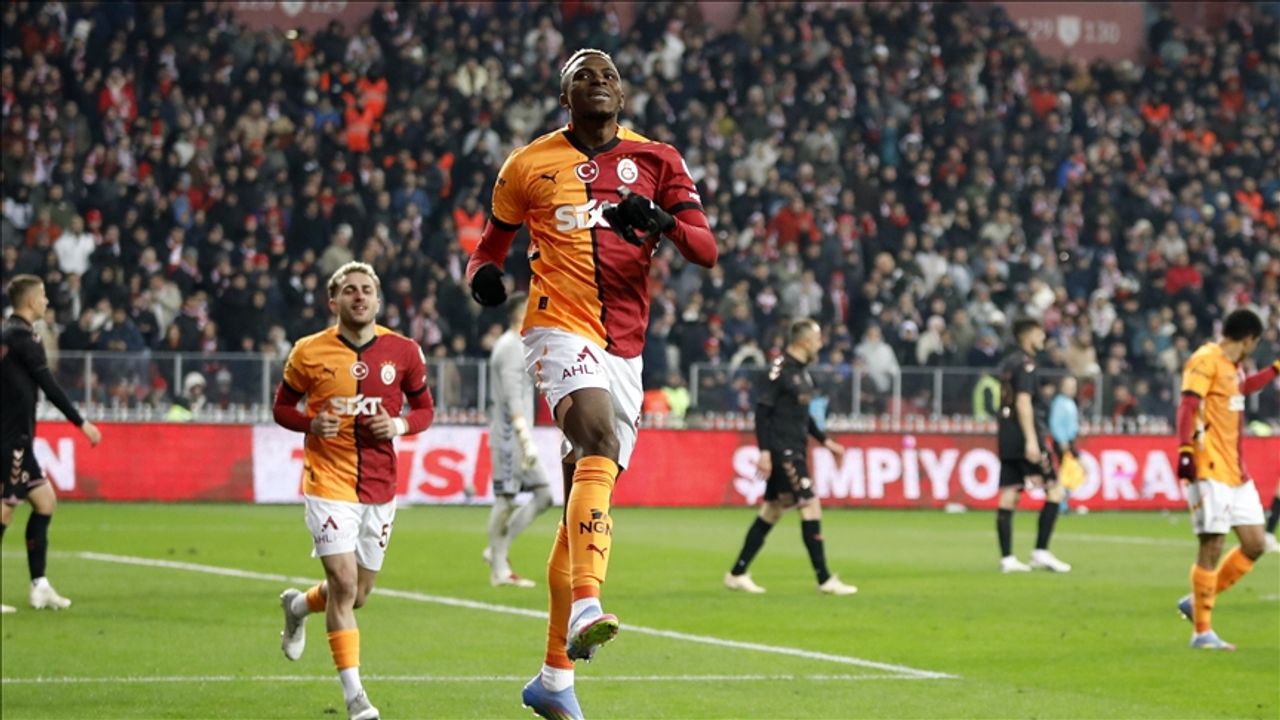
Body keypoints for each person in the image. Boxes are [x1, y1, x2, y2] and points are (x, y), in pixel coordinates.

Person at [466, 48, 717, 720]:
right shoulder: (527, 165)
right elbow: (488, 248)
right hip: (556, 325)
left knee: (584, 490)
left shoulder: (658, 159)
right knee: (598, 439)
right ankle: (587, 605)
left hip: (625, 347)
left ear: (623, 94)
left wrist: (661, 222)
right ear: (564, 95)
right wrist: (483, 278)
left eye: (608, 75)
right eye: (584, 75)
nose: (598, 82)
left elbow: (706, 249)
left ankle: (553, 679)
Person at [271, 261, 435, 720]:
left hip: (380, 486)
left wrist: (399, 425)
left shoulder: (404, 351)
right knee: (343, 583)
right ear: (333, 301)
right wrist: (310, 424)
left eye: (366, 289)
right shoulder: (308, 351)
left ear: (378, 299)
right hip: (328, 480)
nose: (359, 296)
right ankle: (355, 696)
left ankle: (298, 605)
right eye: (349, 290)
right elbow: (282, 407)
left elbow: (425, 409)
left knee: (357, 594)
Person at [724, 319, 858, 596]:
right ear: (804, 342)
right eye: (817, 340)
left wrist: (826, 442)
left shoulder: (803, 373)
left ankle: (737, 573)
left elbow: (804, 416)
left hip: (795, 448)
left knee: (773, 510)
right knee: (810, 505)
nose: (820, 345)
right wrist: (764, 451)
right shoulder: (780, 369)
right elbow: (762, 412)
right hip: (782, 450)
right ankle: (825, 579)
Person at [1173, 308, 1279, 650]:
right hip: (1208, 465)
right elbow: (1188, 405)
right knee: (1212, 543)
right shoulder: (1205, 359)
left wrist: (1275, 370)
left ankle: (1196, 600)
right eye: (1255, 342)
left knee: (1256, 543)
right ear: (1248, 339)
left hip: (1235, 470)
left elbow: (1242, 389)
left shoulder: (1234, 368)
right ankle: (1202, 632)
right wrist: (1185, 450)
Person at [1, 275, 102, 614]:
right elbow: (49, 385)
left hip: (18, 437)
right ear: (31, 301)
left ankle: (39, 586)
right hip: (11, 439)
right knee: (5, 510)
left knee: (45, 502)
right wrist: (81, 423)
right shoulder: (25, 338)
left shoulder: (7, 334)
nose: (46, 301)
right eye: (43, 295)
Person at [470, 292, 554, 588]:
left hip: (519, 436)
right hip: (509, 436)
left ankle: (496, 550)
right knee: (505, 499)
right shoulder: (509, 347)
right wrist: (523, 436)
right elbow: (511, 395)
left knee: (544, 495)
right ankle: (499, 569)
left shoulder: (522, 345)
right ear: (520, 313)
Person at [995, 318, 1072, 574]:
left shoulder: (1008, 363)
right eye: (1040, 334)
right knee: (1055, 490)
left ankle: (1007, 559)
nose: (1043, 338)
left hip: (1007, 436)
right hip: (1025, 435)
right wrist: (1031, 440)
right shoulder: (1027, 364)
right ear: (1027, 336)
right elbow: (1023, 402)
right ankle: (1041, 551)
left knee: (1010, 493)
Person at [1048, 376, 1082, 510]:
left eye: (1073, 386)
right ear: (1062, 387)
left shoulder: (1070, 402)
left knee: (1069, 472)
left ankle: (1064, 502)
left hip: (1069, 441)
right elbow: (1055, 423)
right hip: (1063, 442)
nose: (1071, 389)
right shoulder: (1060, 403)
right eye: (1068, 386)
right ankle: (1060, 503)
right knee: (1064, 472)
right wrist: (1062, 440)